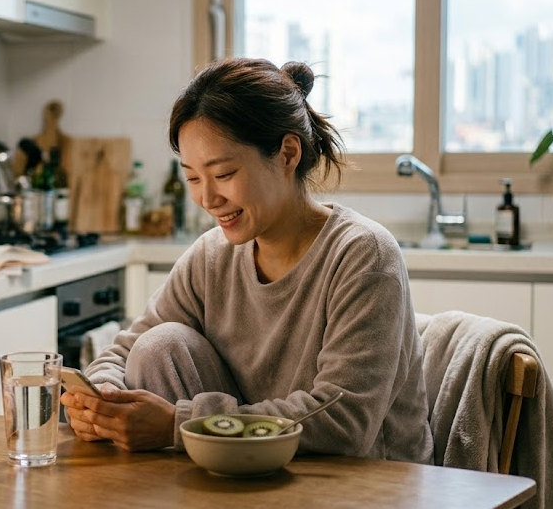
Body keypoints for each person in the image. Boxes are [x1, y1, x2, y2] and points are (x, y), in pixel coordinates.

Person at [60, 57, 434, 464]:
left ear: (288, 153)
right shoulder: (211, 256)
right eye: (192, 178)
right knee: (158, 345)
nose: (207, 198)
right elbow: (123, 352)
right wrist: (102, 400)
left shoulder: (363, 255)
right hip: (252, 470)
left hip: (368, 485)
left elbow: (344, 421)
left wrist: (176, 425)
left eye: (222, 174)